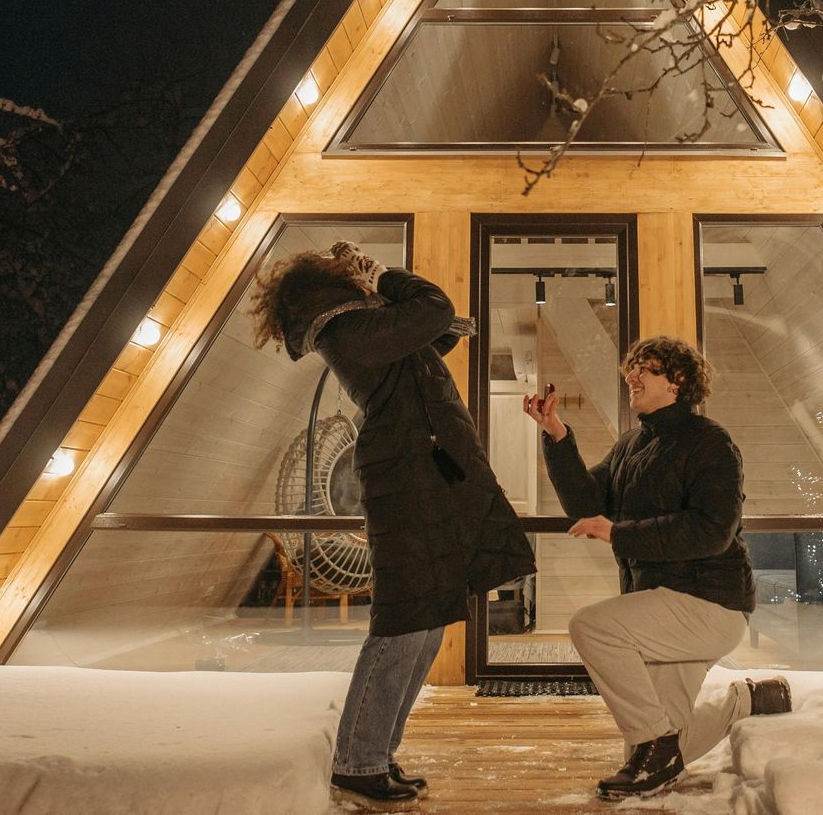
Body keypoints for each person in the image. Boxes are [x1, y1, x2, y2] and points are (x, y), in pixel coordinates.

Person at [254, 241, 535, 808]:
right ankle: (357, 762)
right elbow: (432, 307)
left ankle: (374, 754)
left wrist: (393, 297)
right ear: (331, 289)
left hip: (423, 479)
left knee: (428, 620)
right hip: (407, 485)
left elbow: (437, 332)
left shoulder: (362, 330)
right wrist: (385, 275)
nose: (360, 281)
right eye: (351, 275)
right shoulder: (346, 332)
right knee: (404, 621)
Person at [524, 335, 792, 800]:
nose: (632, 375)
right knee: (664, 739)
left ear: (678, 381)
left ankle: (656, 745)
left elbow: (712, 530)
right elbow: (585, 502)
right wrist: (558, 437)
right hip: (665, 605)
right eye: (632, 368)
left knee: (593, 628)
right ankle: (749, 699)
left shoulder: (711, 442)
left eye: (645, 368)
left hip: (710, 603)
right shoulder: (633, 443)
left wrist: (619, 533)